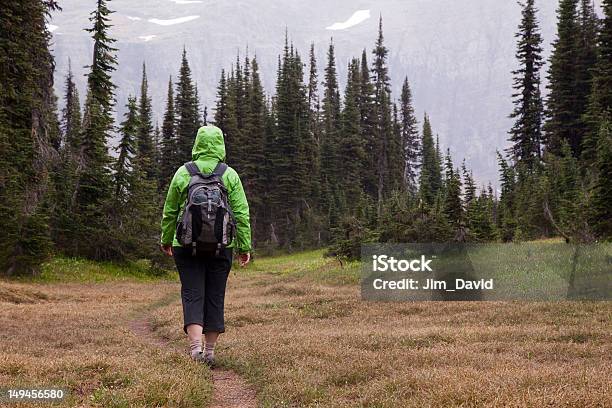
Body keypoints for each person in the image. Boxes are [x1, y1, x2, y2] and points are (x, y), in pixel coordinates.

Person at [160, 125, 251, 366]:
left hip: (186, 245)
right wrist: (244, 246)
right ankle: (209, 352)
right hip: (222, 247)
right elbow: (241, 213)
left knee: (192, 294)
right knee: (215, 295)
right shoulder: (229, 174)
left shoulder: (183, 172)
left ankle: (195, 349)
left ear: (197, 144)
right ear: (221, 144)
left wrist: (166, 239)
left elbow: (170, 211)